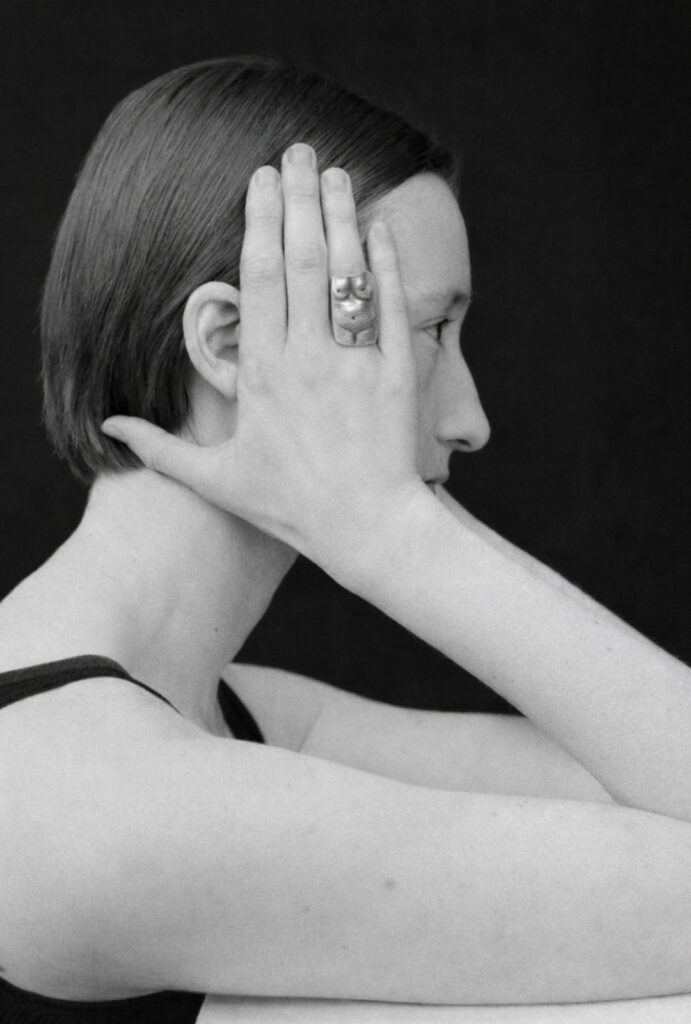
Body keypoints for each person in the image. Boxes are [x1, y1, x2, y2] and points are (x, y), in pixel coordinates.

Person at [0, 55, 690, 1024]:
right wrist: (393, 535)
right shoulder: (92, 792)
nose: (469, 419)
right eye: (429, 331)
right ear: (230, 344)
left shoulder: (226, 713)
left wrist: (391, 529)